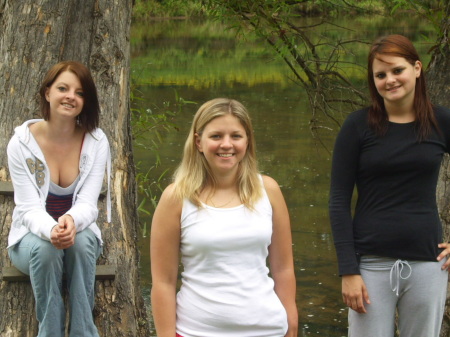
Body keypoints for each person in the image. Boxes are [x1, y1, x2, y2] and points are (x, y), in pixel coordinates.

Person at [329, 34, 450, 337]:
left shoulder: (441, 121)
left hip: (428, 263)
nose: (390, 80)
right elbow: (338, 201)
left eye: (397, 70)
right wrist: (348, 270)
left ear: (417, 68)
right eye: (380, 75)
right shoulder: (357, 126)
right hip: (370, 266)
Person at [150, 98, 298, 337]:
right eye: (216, 136)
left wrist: (291, 321)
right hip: (196, 331)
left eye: (236, 136)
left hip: (268, 330)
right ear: (199, 142)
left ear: (247, 141)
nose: (226, 145)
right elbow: (164, 283)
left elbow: (283, 269)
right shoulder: (176, 198)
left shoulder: (268, 190)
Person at [7, 61, 111, 337]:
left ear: (85, 100)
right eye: (63, 88)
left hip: (78, 238)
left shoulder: (96, 141)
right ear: (47, 93)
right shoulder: (21, 143)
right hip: (30, 241)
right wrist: (51, 229)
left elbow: (88, 203)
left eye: (79, 92)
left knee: (83, 241)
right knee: (46, 249)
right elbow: (28, 208)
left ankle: (83, 332)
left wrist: (69, 220)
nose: (70, 97)